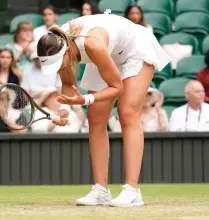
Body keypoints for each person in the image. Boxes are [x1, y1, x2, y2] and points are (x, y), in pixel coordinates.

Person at [36, 12, 171, 207]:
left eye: (59, 63)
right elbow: (68, 85)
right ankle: (101, 190)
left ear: (66, 52)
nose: (58, 67)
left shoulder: (92, 44)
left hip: (133, 50)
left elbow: (117, 88)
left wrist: (85, 99)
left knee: (127, 113)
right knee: (96, 118)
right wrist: (64, 110)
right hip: (107, 55)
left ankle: (132, 191)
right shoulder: (56, 43)